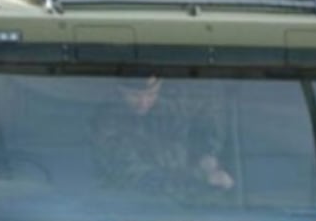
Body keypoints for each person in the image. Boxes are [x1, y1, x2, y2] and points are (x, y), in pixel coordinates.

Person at [90, 74, 234, 200]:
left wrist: (207, 156)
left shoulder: (173, 106)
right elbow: (134, 176)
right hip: (135, 206)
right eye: (135, 95)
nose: (143, 102)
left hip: (186, 202)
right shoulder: (109, 122)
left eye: (151, 94)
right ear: (120, 91)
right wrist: (198, 179)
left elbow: (206, 119)